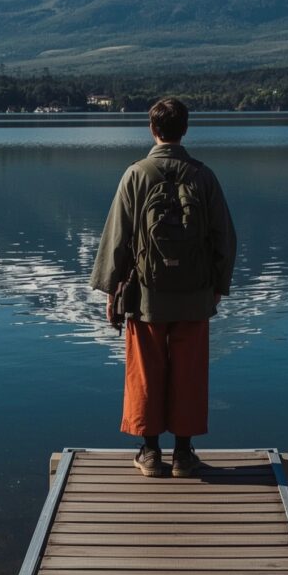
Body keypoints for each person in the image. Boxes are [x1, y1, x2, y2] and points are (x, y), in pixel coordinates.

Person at [90, 97, 237, 478]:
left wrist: (111, 292)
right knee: (189, 370)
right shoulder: (203, 176)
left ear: (153, 130)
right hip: (194, 295)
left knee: (145, 369)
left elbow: (117, 239)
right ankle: (184, 456)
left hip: (145, 297)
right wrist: (217, 285)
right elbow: (225, 236)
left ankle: (151, 454)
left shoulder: (136, 174)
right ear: (184, 129)